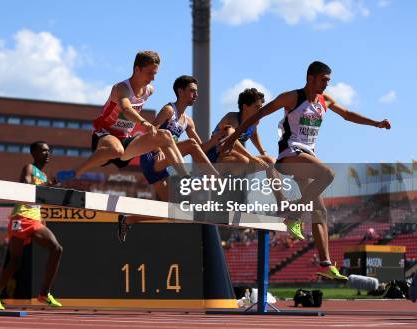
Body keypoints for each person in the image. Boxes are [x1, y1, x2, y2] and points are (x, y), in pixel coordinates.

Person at [221, 61, 391, 281]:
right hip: (290, 154)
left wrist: (376, 123)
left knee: (320, 211)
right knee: (328, 174)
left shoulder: (324, 101)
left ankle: (326, 264)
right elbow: (258, 115)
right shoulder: (291, 98)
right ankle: (293, 215)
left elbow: (348, 114)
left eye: (328, 81)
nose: (326, 85)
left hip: (306, 156)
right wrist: (234, 137)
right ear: (310, 77)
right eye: (323, 80)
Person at [56, 51, 189, 183]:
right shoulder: (122, 88)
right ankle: (75, 172)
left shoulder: (149, 90)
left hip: (126, 140)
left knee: (165, 135)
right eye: (150, 73)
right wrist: (143, 122)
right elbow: (126, 109)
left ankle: (186, 178)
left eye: (155, 74)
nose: (153, 78)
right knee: (116, 150)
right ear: (137, 69)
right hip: (105, 134)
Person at [118, 75, 220, 241]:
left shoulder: (188, 121)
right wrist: (158, 148)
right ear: (180, 91)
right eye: (192, 91)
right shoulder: (169, 110)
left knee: (174, 212)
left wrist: (215, 141)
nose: (196, 95)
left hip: (165, 165)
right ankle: (216, 176)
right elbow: (151, 131)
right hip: (153, 156)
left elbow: (200, 150)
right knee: (191, 144)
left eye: (197, 92)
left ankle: (128, 219)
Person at [0, 141, 63, 310]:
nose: (48, 153)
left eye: (49, 150)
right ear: (34, 153)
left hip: (35, 219)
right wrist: (48, 185)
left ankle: (44, 294)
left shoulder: (44, 176)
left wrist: (42, 216)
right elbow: (26, 188)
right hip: (21, 218)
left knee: (57, 248)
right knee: (15, 261)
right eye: (44, 151)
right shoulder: (29, 168)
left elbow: (40, 199)